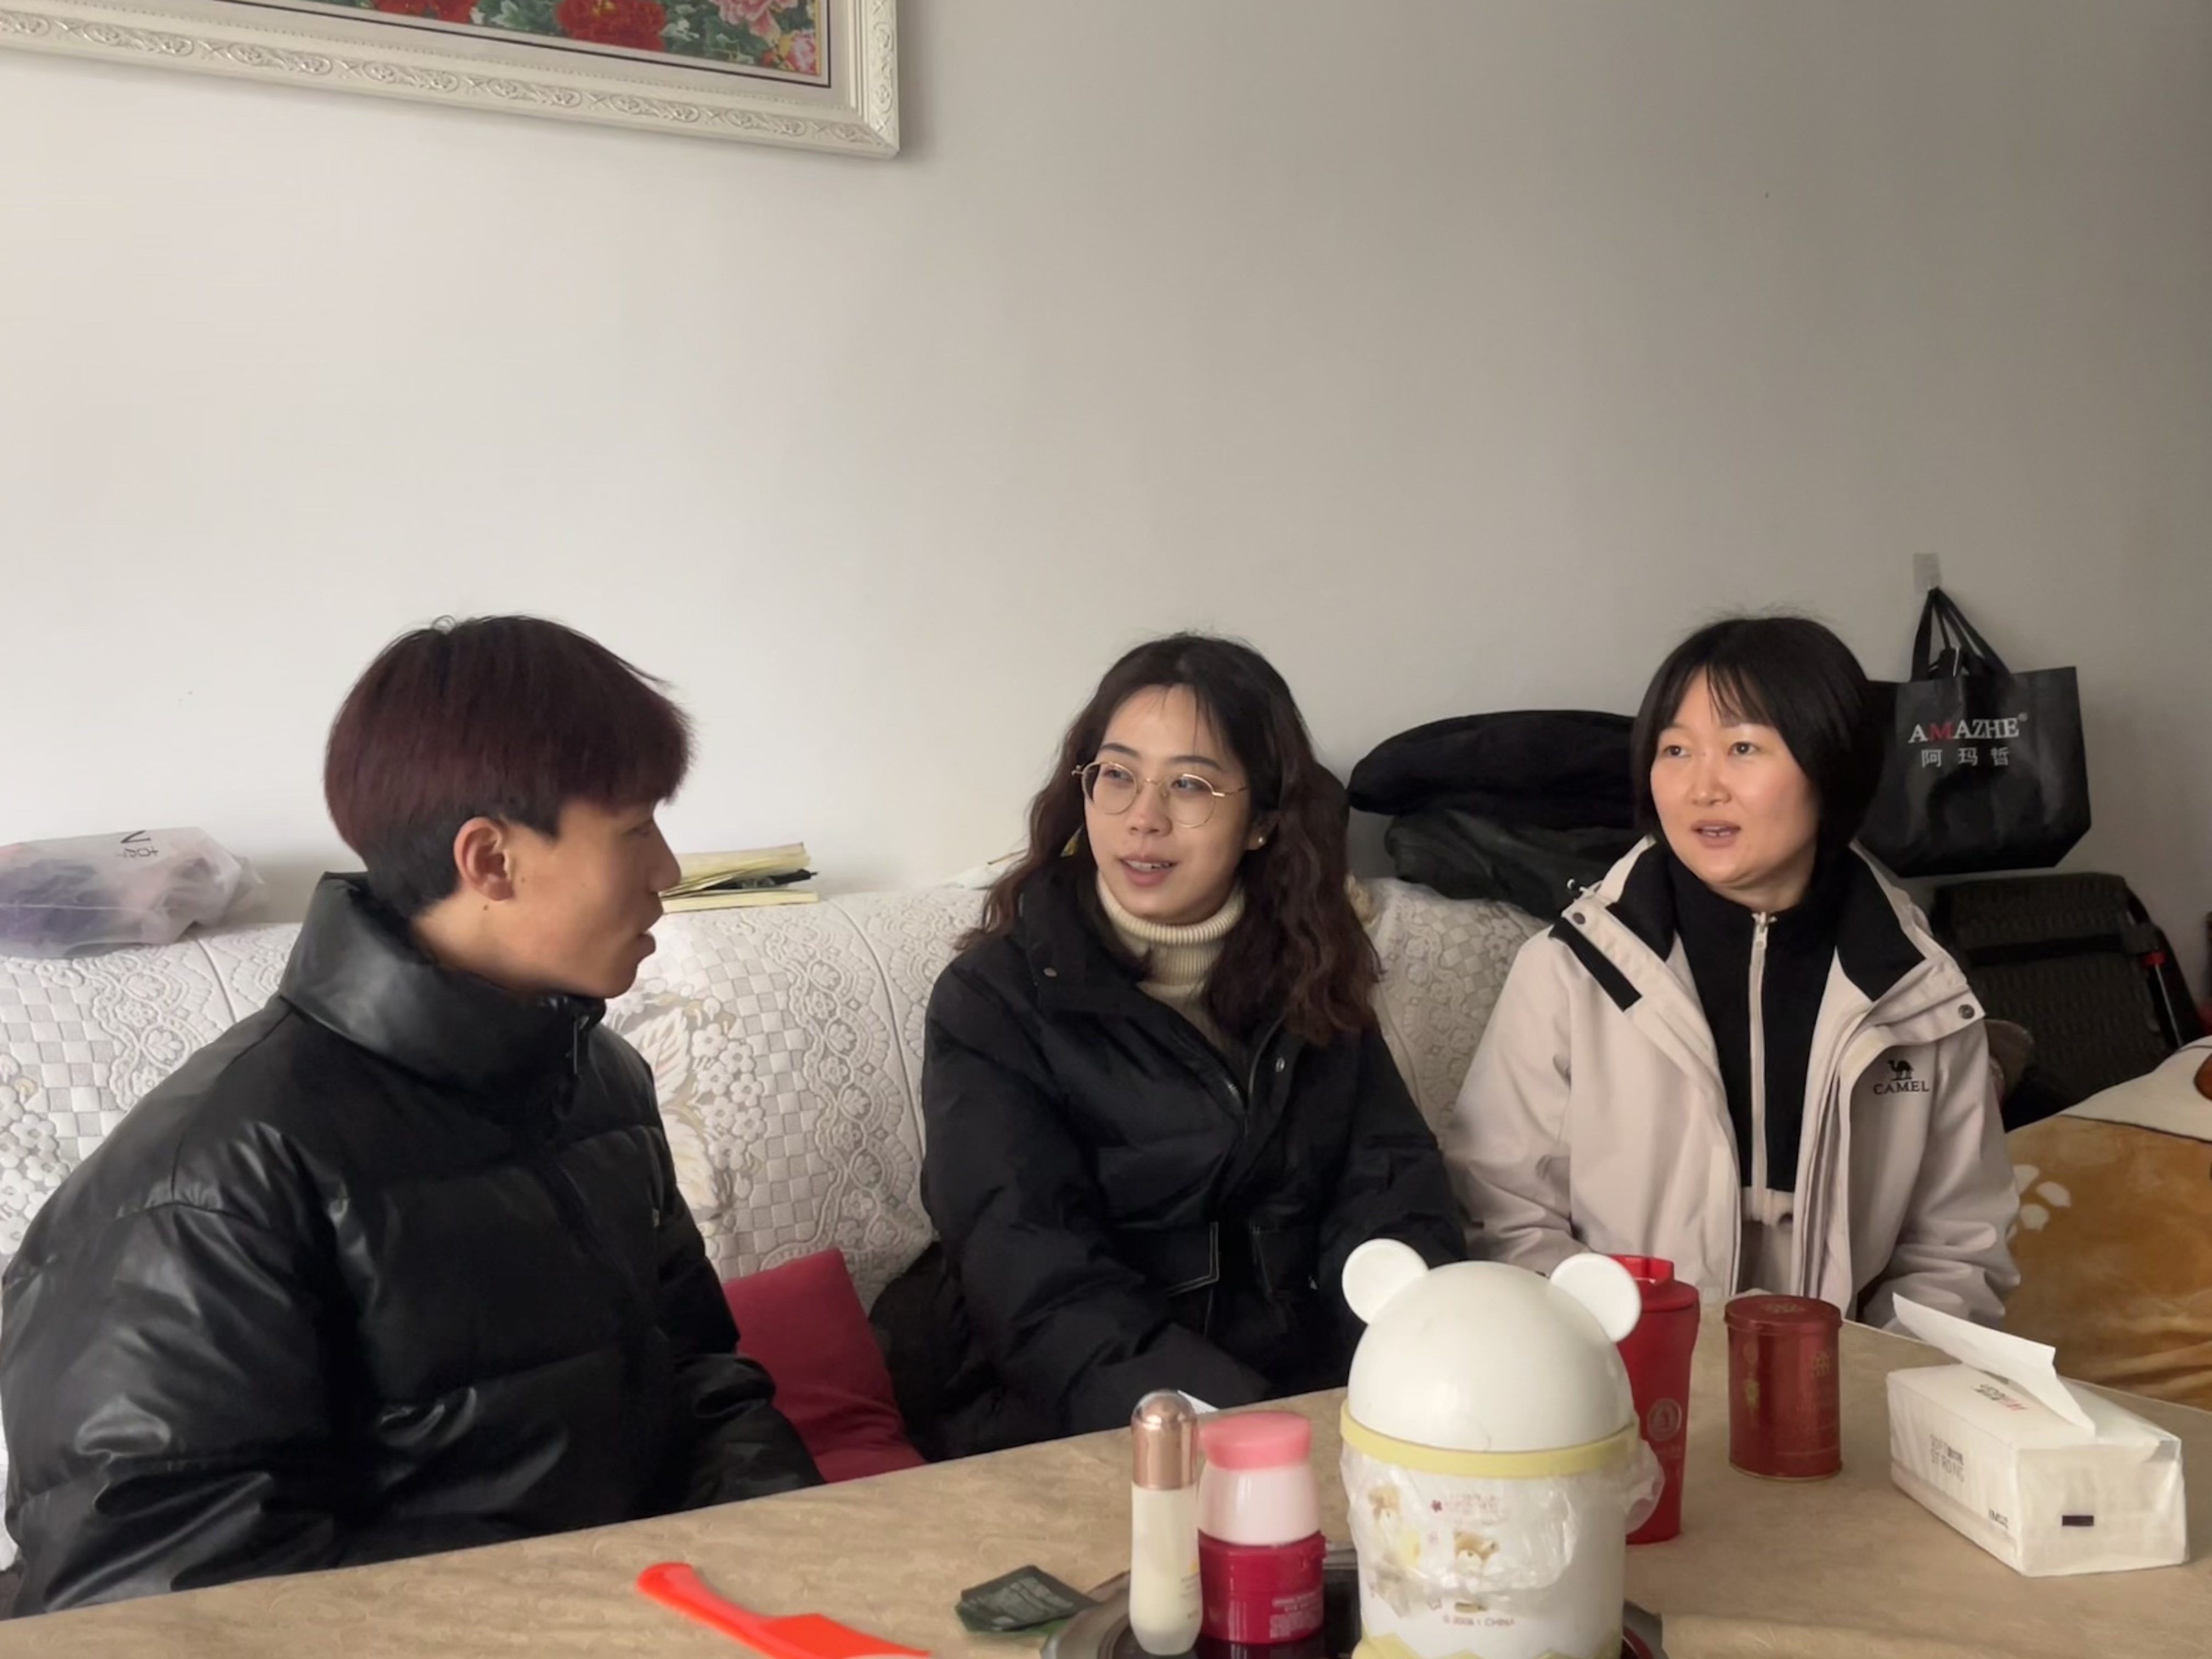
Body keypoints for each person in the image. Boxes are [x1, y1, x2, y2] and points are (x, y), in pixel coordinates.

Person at [0, 617, 819, 1614]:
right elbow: (173, 1607)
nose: (669, 871)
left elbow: (700, 1377)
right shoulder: (205, 1187)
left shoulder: (600, 1079)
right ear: (491, 859)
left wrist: (791, 1575)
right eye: (636, 827)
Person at [873, 634, 1464, 1460]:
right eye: (1116, 775)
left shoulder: (1313, 974)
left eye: (1189, 784)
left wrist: (1409, 1376)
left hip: (1301, 1400)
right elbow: (1034, 1282)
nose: (1143, 818)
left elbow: (1393, 1201)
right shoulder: (994, 1001)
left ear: (1263, 821)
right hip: (1071, 1413)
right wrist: (1250, 1429)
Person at [1448, 616, 2017, 1327]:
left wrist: (1870, 1373)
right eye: (1675, 750)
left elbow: (1959, 1246)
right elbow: (1502, 1216)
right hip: (1622, 1366)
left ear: (1832, 766)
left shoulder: (1920, 991)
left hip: (1850, 1373)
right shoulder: (1569, 973)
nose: (1701, 787)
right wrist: (1628, 1351)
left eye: (1743, 748)